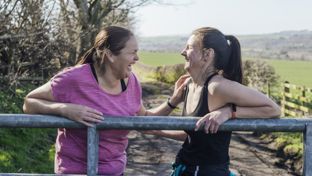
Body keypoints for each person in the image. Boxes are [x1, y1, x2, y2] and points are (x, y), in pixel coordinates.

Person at [23, 26, 188, 175]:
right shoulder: (74, 78)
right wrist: (65, 109)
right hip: (75, 172)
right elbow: (29, 102)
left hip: (115, 172)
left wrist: (173, 101)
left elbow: (143, 120)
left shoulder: (132, 82)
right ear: (110, 55)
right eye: (132, 52)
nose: (137, 58)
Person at [144, 27, 281, 176]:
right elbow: (196, 134)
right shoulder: (189, 84)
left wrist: (230, 112)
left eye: (189, 47)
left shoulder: (217, 87)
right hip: (184, 166)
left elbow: (273, 109)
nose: (182, 52)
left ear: (207, 54)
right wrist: (162, 129)